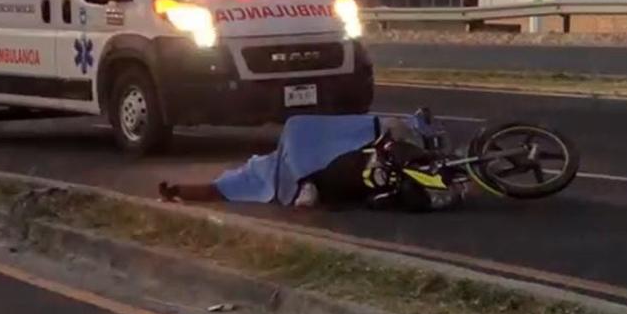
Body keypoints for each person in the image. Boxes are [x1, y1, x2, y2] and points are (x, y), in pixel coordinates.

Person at [159, 112, 463, 211]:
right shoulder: (249, 174)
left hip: (322, 167)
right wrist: (177, 191)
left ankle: (393, 130)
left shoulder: (270, 158)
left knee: (298, 126)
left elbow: (215, 189)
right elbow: (214, 189)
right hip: (325, 178)